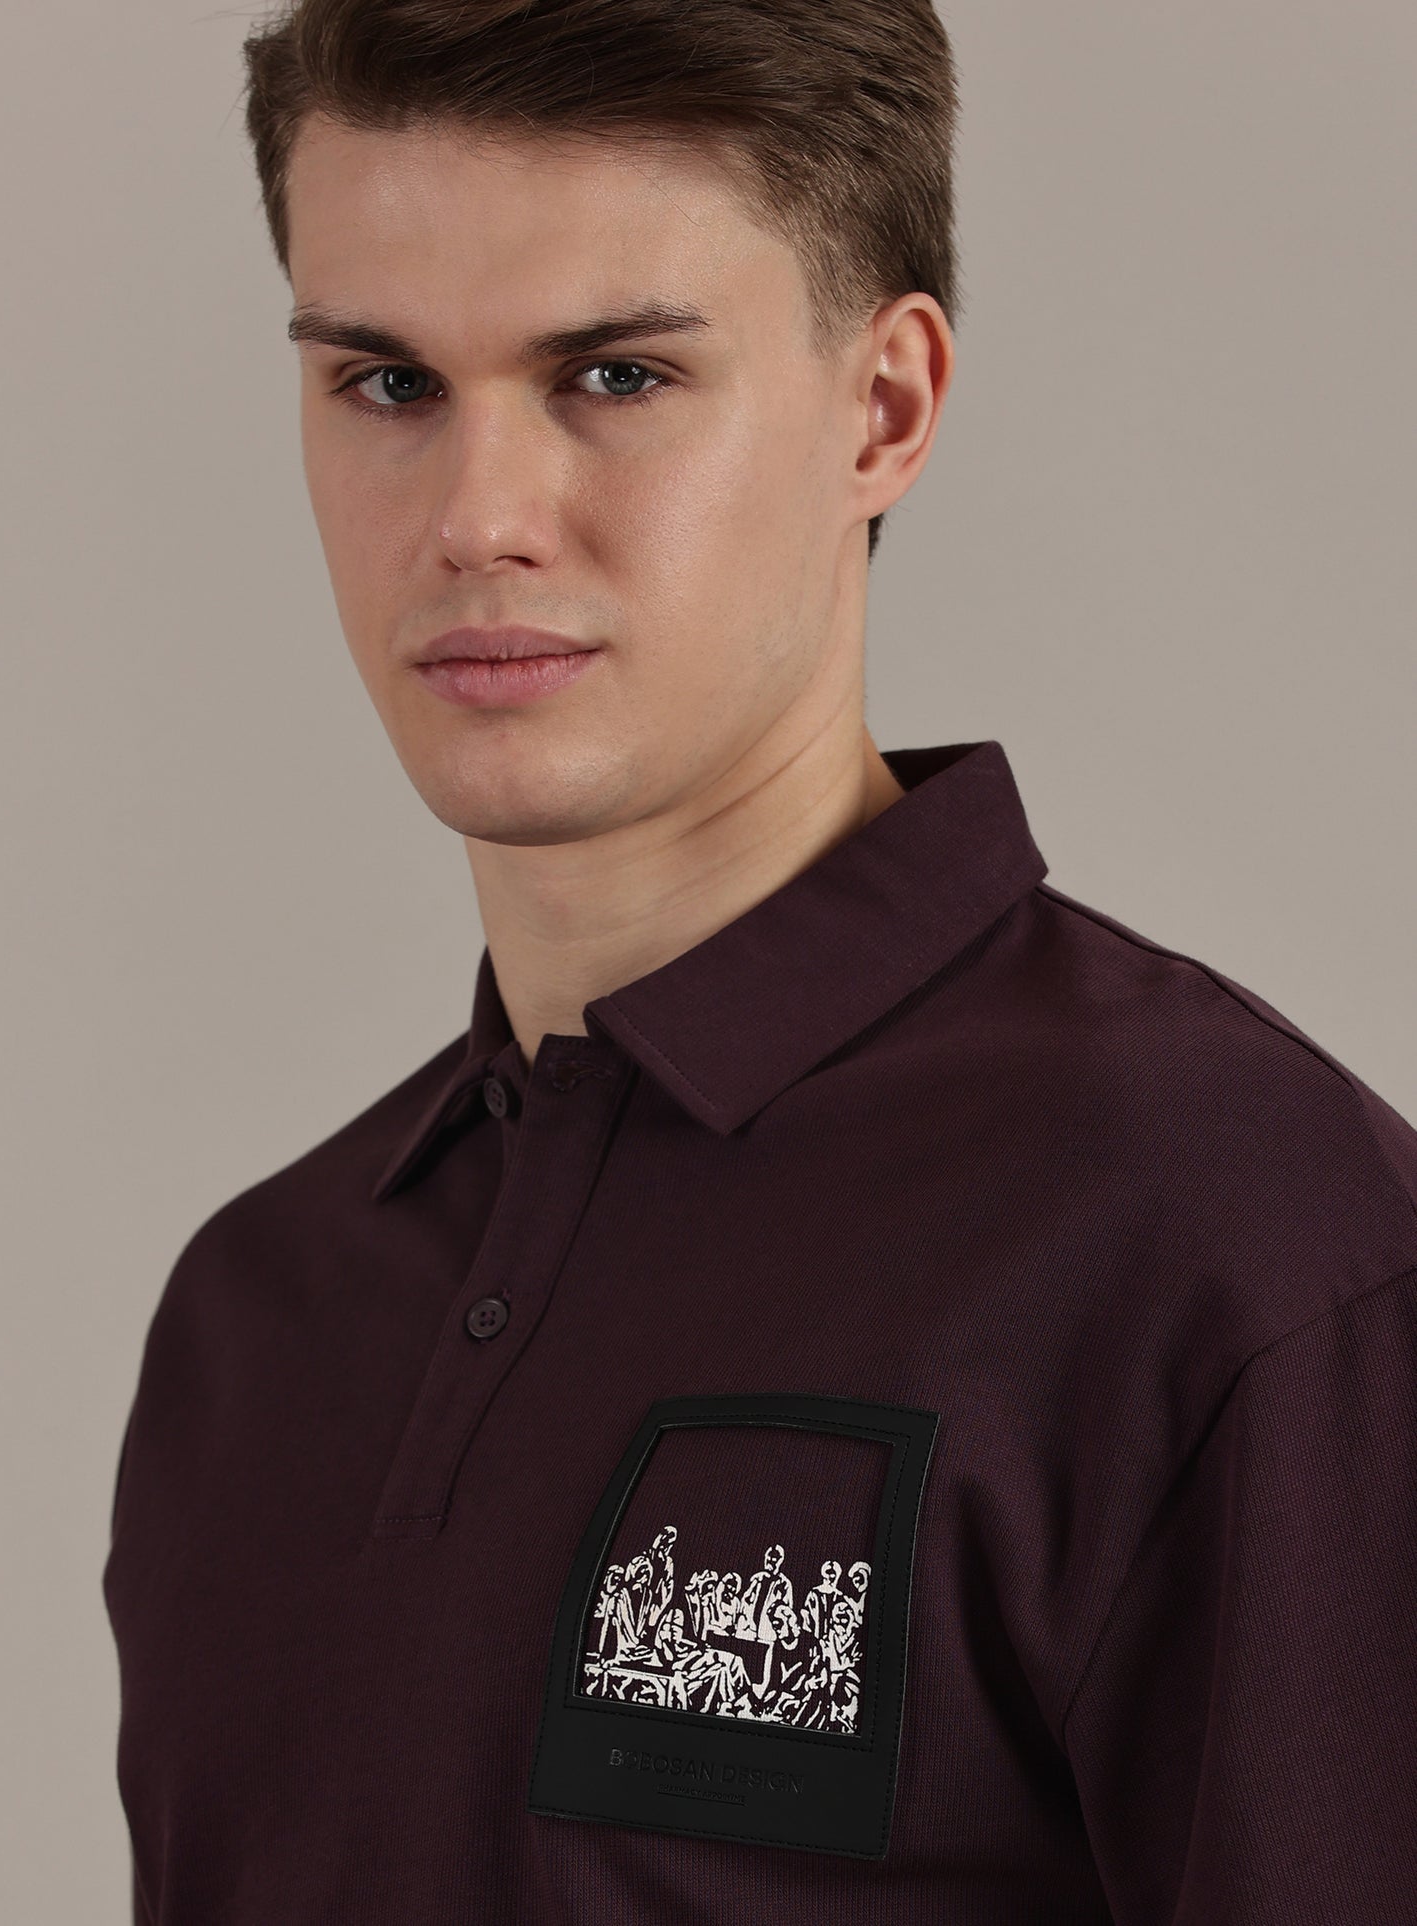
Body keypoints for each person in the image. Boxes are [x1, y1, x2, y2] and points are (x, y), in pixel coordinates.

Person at [101, 0, 1417, 1919]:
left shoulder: (1245, 1247)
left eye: (614, 375)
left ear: (882, 408)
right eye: (386, 383)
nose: (475, 519)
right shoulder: (255, 1320)